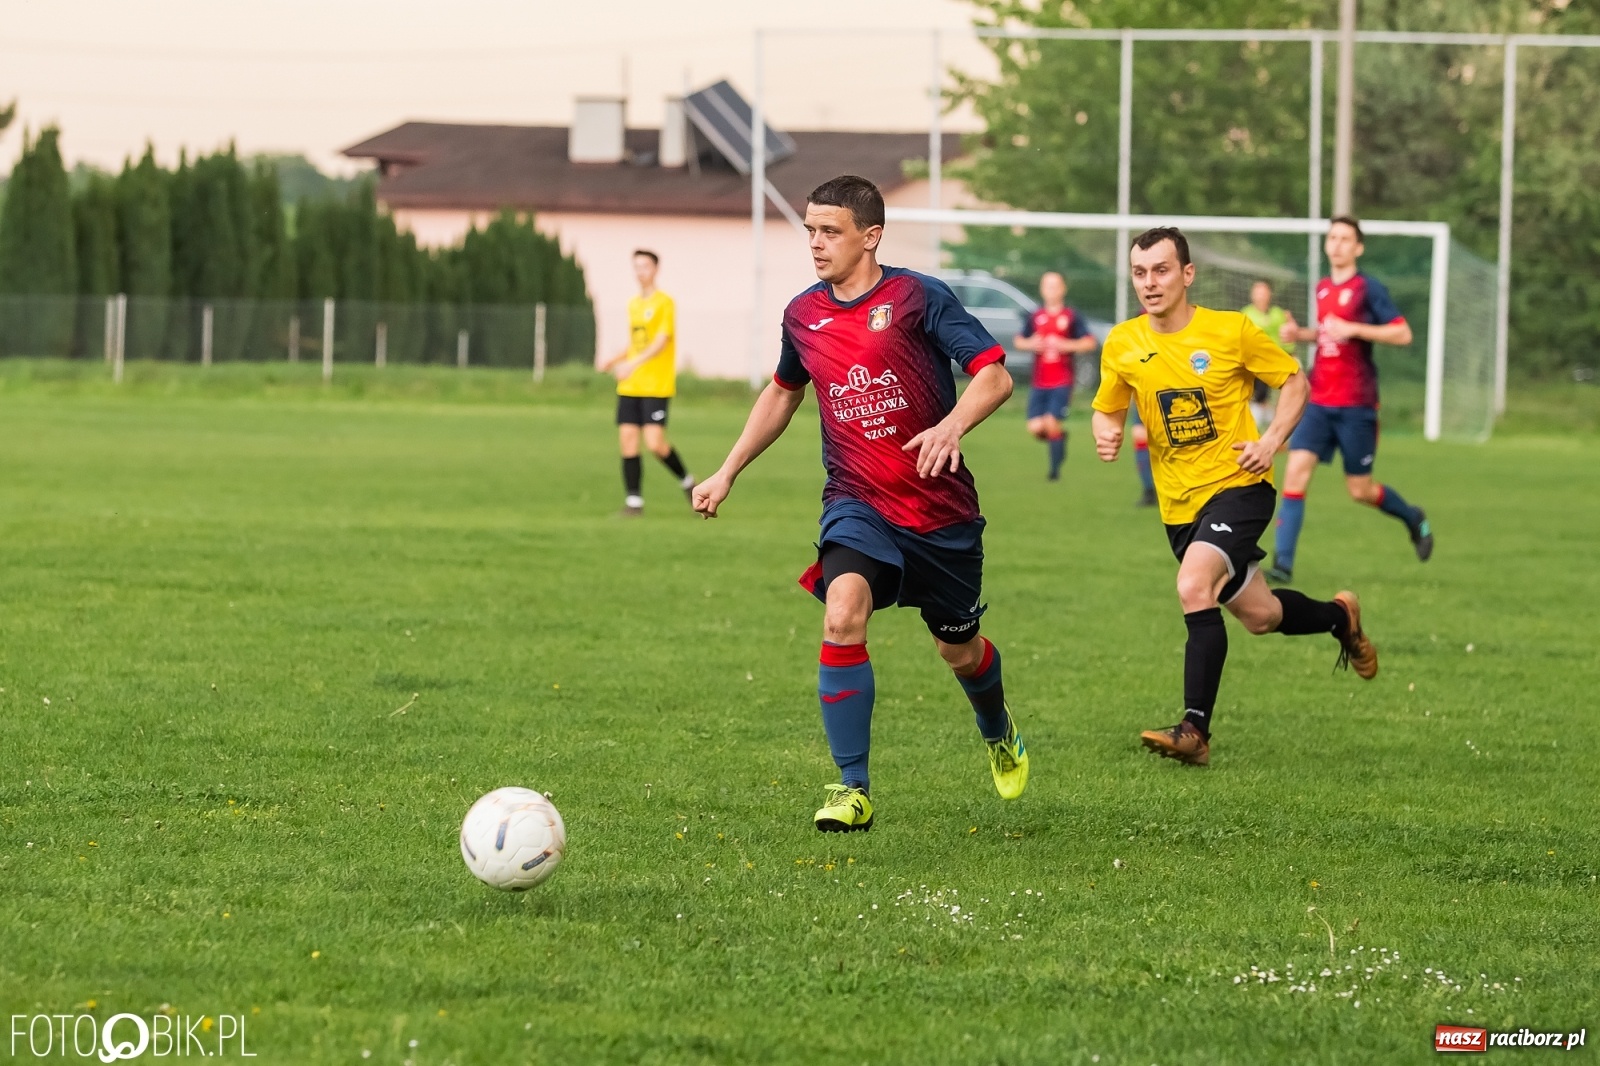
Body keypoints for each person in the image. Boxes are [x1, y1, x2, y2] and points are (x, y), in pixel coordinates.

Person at [692, 175, 1027, 831]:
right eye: (811, 230)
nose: (816, 243)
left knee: (959, 651)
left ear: (870, 236)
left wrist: (950, 426)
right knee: (842, 610)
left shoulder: (916, 298)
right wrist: (727, 469)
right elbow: (784, 392)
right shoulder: (803, 314)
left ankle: (997, 728)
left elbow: (994, 373)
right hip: (857, 502)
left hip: (940, 513)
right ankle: (853, 788)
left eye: (830, 231)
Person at [1091, 227, 1378, 768]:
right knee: (1261, 615)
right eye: (1139, 272)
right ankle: (1342, 618)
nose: (1149, 283)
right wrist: (1104, 429)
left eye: (1161, 270)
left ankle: (1195, 731)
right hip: (1179, 507)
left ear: (1186, 274)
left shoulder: (1232, 330)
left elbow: (1295, 381)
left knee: (1193, 583)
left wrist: (1271, 443)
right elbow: (1108, 405)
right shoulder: (1123, 342)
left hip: (1240, 487)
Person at [1266, 217, 1433, 582]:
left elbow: (1402, 333)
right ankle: (1283, 565)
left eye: (1345, 239)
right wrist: (1301, 334)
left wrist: (1355, 328)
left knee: (1360, 489)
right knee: (1295, 473)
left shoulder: (1368, 289)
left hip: (1356, 404)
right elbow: (1329, 335)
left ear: (1358, 248)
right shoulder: (1323, 288)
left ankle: (1412, 517)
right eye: (1333, 238)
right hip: (1319, 399)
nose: (1337, 244)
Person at [599, 250, 695, 517]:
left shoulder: (665, 303)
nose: (640, 272)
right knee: (628, 440)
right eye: (636, 267)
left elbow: (660, 342)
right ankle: (634, 502)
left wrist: (632, 364)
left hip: (655, 384)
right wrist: (615, 359)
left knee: (655, 443)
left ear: (655, 269)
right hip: (630, 385)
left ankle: (687, 481)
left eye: (645, 266)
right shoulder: (634, 304)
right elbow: (635, 344)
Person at [1013, 272, 1097, 480]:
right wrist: (1032, 344)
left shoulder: (1071, 316)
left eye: (1055, 286)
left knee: (1051, 422)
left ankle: (1054, 472)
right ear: (1042, 289)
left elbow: (1089, 342)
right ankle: (1059, 437)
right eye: (1047, 286)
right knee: (1035, 428)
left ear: (1063, 289)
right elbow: (1019, 341)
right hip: (1039, 381)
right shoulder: (1036, 316)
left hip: (1062, 381)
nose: (1051, 290)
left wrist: (1067, 345)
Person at [1240, 279, 1299, 429]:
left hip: (1277, 362)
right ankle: (1258, 429)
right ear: (1252, 295)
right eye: (1258, 292)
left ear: (1269, 294)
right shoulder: (1245, 315)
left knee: (1288, 391)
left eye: (1264, 292)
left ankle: (1279, 425)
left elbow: (1287, 340)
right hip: (1254, 363)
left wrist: (1292, 356)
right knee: (1258, 396)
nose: (1261, 296)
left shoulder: (1278, 314)